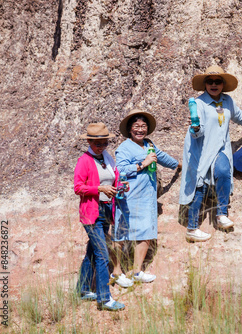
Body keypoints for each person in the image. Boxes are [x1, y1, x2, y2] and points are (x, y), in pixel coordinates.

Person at [179, 65, 242, 242]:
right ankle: (192, 228)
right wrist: (195, 127)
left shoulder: (227, 101)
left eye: (217, 81)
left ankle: (221, 215)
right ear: (205, 84)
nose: (214, 84)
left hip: (220, 148)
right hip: (201, 150)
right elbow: (197, 132)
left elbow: (238, 115)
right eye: (210, 81)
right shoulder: (198, 103)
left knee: (223, 171)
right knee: (200, 185)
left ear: (222, 84)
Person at [113, 109, 181, 283]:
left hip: (146, 197)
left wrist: (178, 165)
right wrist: (142, 164)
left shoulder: (150, 144)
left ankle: (137, 271)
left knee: (145, 231)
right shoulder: (124, 148)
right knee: (121, 234)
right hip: (128, 197)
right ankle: (117, 271)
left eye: (143, 126)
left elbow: (161, 157)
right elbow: (120, 170)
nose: (140, 129)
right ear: (130, 129)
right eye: (136, 126)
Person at [74, 123, 127, 311]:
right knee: (102, 255)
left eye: (104, 143)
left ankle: (83, 289)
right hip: (91, 213)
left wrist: (121, 185)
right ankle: (105, 299)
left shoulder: (107, 158)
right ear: (89, 141)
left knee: (92, 251)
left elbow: (115, 178)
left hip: (105, 210)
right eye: (97, 143)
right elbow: (78, 188)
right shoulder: (84, 161)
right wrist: (99, 188)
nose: (101, 146)